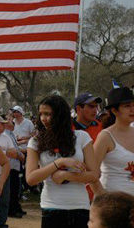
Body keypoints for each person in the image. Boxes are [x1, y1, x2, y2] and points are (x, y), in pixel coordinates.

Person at [26, 95, 99, 228]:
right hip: (51, 207)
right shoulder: (35, 141)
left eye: (48, 114)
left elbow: (95, 174)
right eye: (41, 114)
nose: (43, 119)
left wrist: (66, 175)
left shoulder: (82, 137)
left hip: (80, 207)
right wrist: (59, 163)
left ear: (60, 115)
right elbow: (31, 179)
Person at [91, 87, 134, 196]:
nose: (132, 109)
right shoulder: (105, 137)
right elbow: (91, 173)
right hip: (113, 205)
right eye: (127, 106)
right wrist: (104, 199)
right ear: (114, 110)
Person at [2, 114, 26, 218]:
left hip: (16, 166)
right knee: (12, 189)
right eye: (9, 120)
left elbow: (16, 148)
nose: (12, 121)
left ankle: (16, 207)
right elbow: (13, 151)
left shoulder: (11, 134)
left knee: (16, 188)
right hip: (11, 166)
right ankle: (12, 210)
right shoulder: (5, 135)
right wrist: (21, 156)